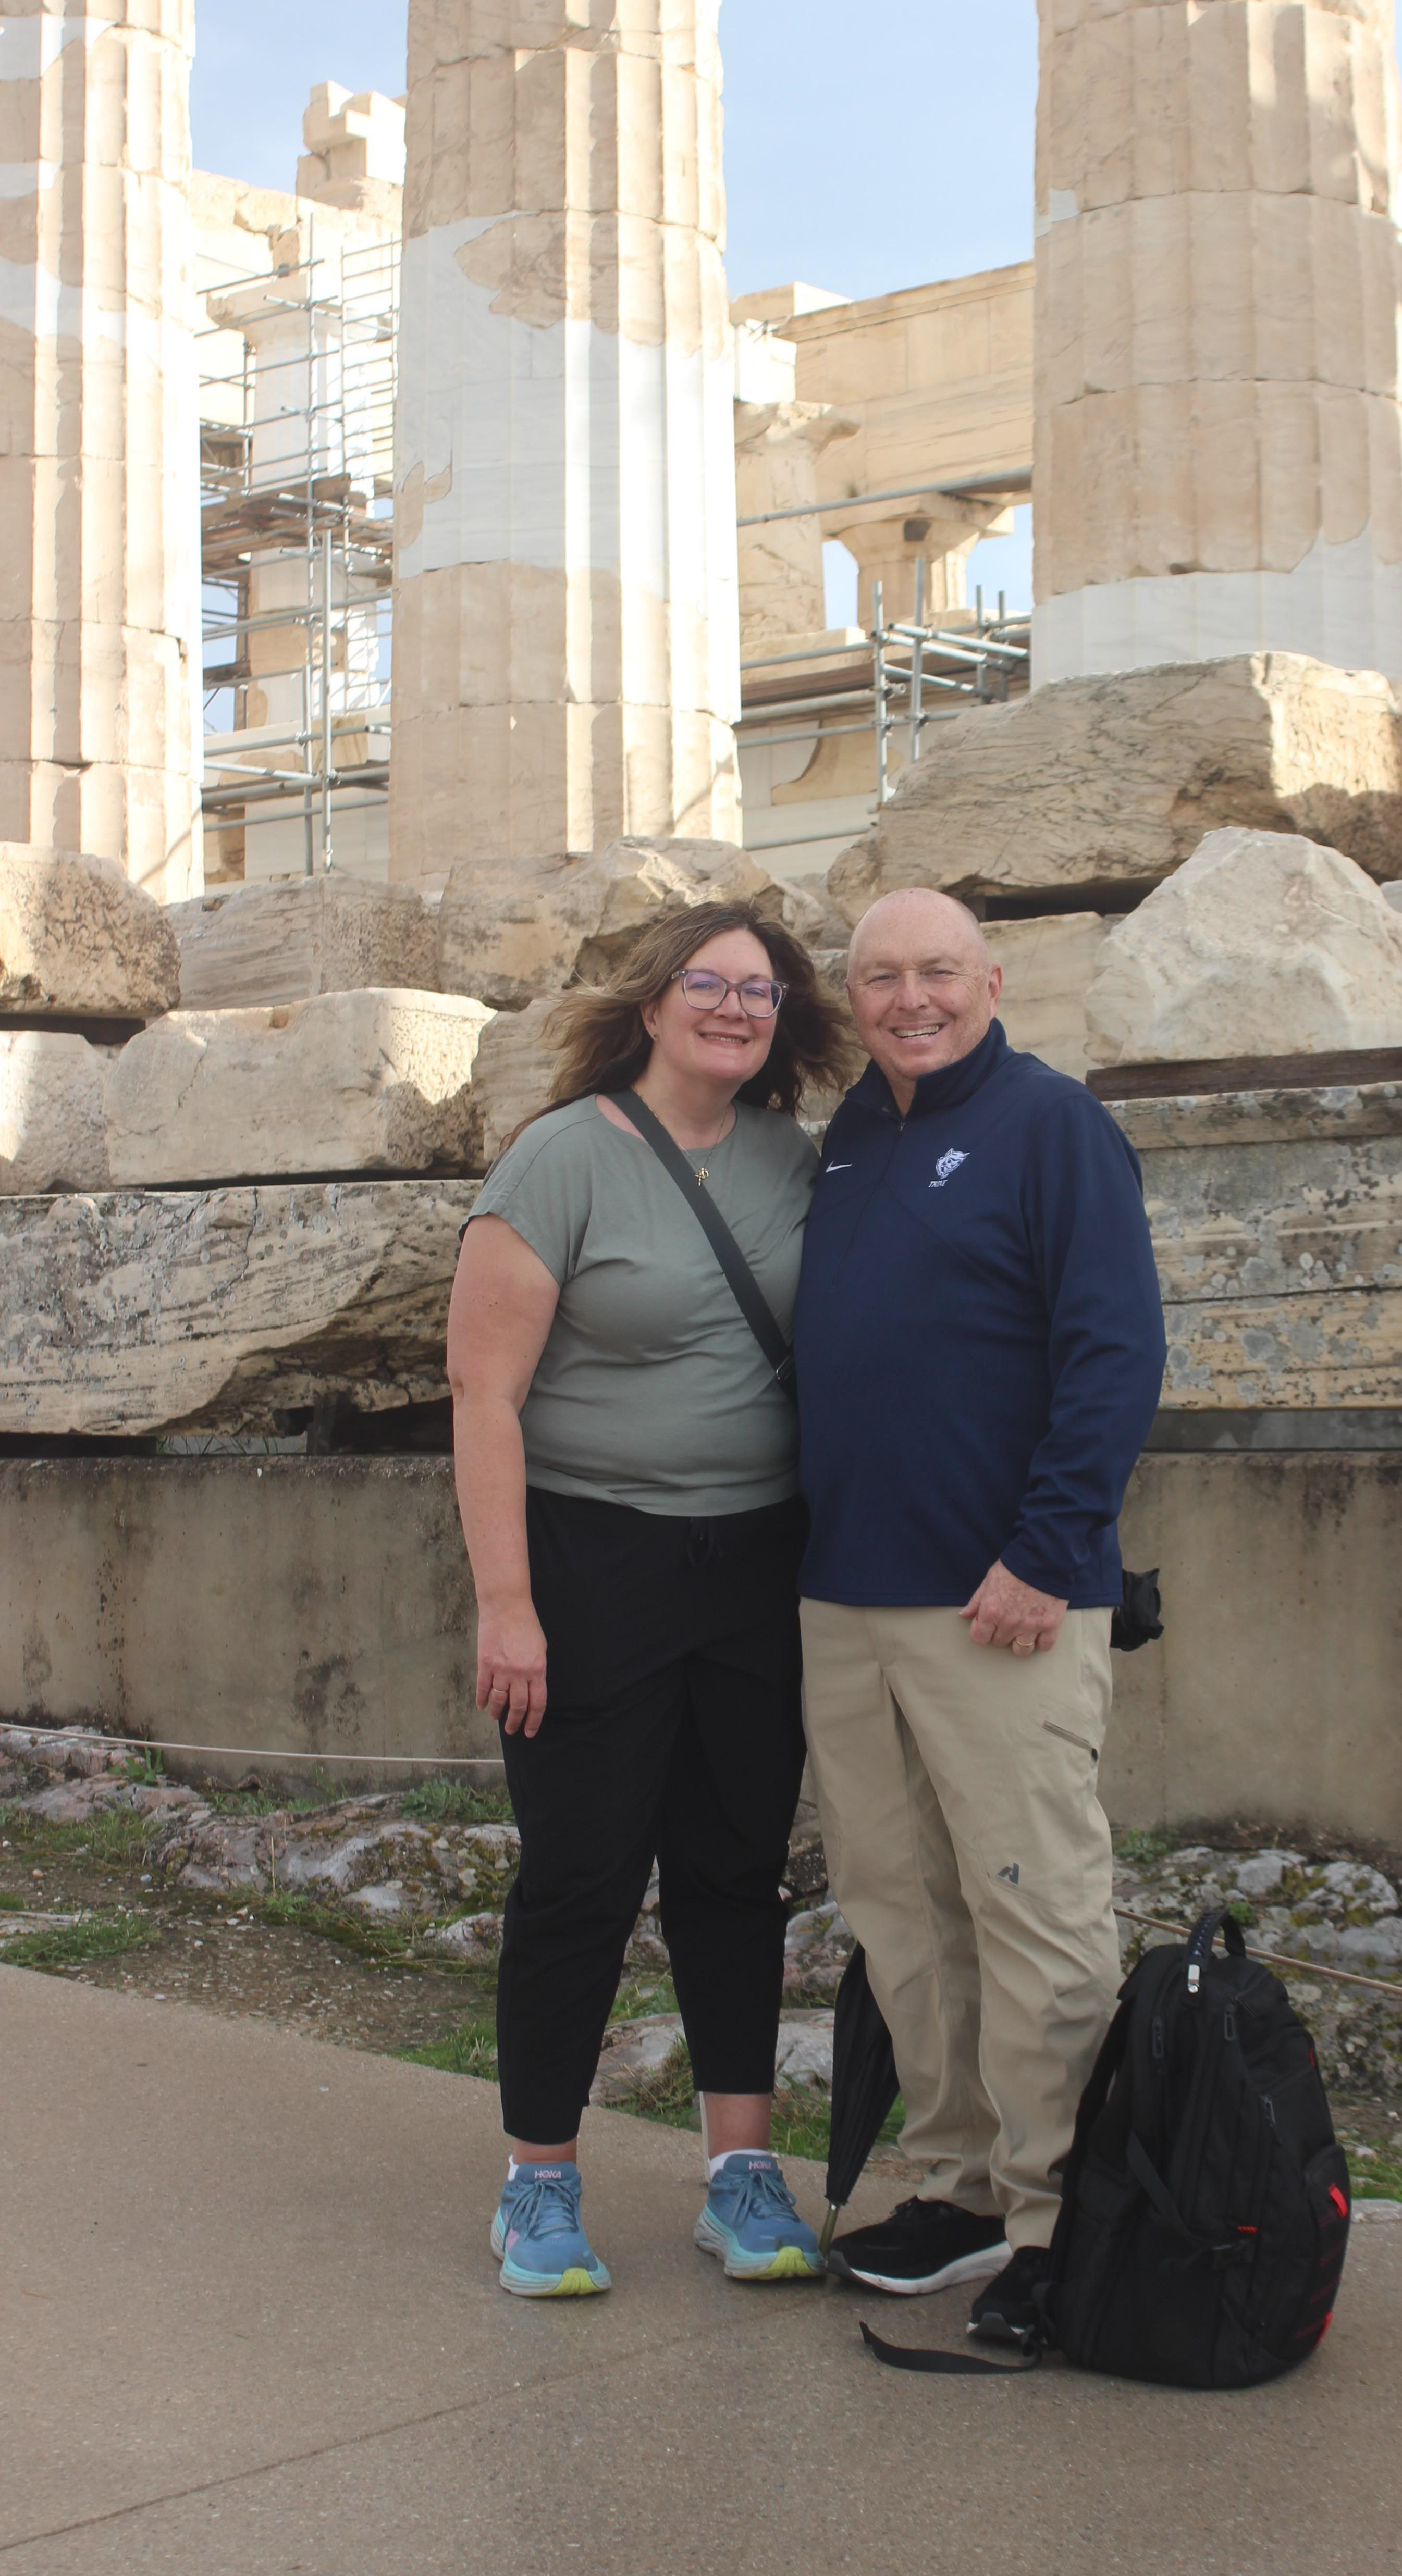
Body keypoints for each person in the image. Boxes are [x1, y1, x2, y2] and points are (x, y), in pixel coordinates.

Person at [447, 899, 858, 2298]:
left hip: (756, 1563)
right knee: (580, 1875)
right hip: (591, 1560)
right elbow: (483, 1398)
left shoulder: (792, 1161)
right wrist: (507, 1605)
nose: (737, 1009)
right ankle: (539, 2186)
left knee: (737, 1869)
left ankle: (741, 2172)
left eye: (762, 992)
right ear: (649, 1001)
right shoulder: (561, 1160)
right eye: (711, 984)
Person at [793, 887, 1167, 2344]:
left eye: (938, 972)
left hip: (1004, 1599)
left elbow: (1116, 1350)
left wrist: (1046, 1545)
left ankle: (1058, 2219)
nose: (910, 999)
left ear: (992, 978)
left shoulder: (1053, 1126)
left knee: (1034, 1911)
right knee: (901, 1911)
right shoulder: (850, 1138)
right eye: (881, 977)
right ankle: (954, 2185)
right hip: (847, 1601)